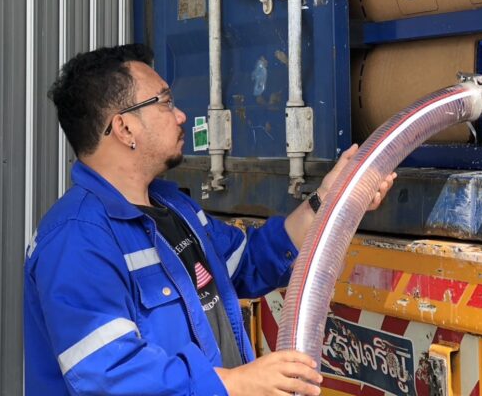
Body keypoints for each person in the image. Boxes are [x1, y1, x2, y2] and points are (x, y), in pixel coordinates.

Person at [24, 43, 395, 396]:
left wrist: (328, 199)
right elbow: (109, 375)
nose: (181, 115)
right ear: (124, 128)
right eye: (165, 102)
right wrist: (234, 383)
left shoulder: (174, 208)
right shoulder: (76, 240)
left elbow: (250, 261)